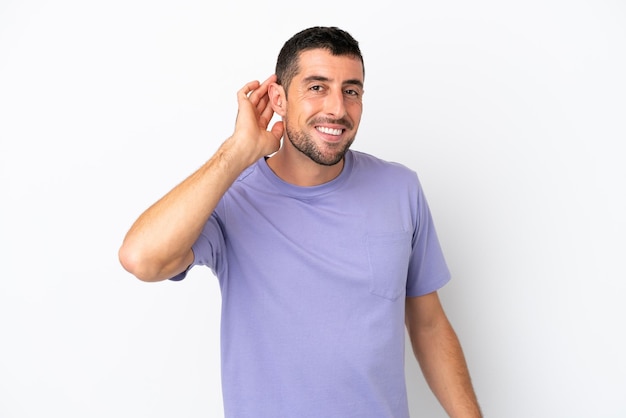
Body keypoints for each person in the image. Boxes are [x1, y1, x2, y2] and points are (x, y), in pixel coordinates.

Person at [119, 26, 482, 418]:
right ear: (278, 98)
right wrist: (237, 151)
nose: (338, 109)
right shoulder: (231, 198)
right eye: (316, 87)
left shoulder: (400, 189)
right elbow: (142, 258)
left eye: (351, 90)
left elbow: (428, 325)